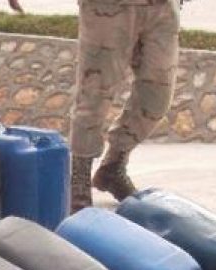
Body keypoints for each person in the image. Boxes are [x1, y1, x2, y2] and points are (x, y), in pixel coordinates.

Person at [68, 0, 181, 210]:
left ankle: (113, 166)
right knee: (94, 94)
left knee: (157, 97)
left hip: (161, 9)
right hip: (108, 8)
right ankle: (78, 179)